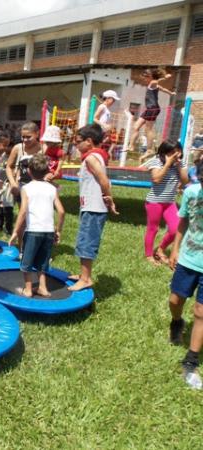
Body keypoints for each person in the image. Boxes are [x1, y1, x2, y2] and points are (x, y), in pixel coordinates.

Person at [68, 124, 118, 291]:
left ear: (89, 141)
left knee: (86, 242)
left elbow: (104, 180)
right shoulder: (94, 156)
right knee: (84, 240)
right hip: (90, 206)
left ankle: (86, 279)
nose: (76, 145)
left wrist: (109, 199)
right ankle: (83, 274)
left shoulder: (91, 158)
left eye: (78, 142)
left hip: (93, 208)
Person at [167, 159, 203, 389]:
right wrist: (175, 248)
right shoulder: (191, 192)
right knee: (175, 300)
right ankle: (177, 322)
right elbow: (183, 222)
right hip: (189, 258)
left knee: (201, 312)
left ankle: (191, 361)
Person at [9, 154, 65, 297]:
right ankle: (43, 288)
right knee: (43, 261)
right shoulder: (52, 188)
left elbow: (23, 211)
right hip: (48, 231)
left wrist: (15, 232)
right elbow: (61, 211)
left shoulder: (26, 188)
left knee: (26, 261)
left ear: (29, 171)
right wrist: (58, 231)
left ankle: (28, 289)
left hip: (33, 230)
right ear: (47, 171)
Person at [143, 141, 189, 265]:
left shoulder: (181, 163)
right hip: (154, 202)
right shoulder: (156, 161)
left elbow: (185, 180)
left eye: (178, 151)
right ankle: (148, 255)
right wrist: (168, 164)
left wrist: (179, 166)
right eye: (172, 152)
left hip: (170, 202)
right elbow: (156, 179)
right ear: (164, 152)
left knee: (175, 229)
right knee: (153, 228)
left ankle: (160, 250)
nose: (176, 154)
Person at [6, 122, 42, 252]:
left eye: (28, 137)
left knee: (36, 218)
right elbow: (9, 166)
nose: (25, 140)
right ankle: (22, 247)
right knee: (23, 217)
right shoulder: (18, 148)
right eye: (23, 137)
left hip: (38, 189)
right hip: (22, 188)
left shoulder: (42, 148)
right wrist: (12, 183)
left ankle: (35, 247)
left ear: (37, 134)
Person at [128, 69, 175, 162]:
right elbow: (163, 89)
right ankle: (131, 145)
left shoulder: (152, 83)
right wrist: (171, 93)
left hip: (153, 109)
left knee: (148, 129)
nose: (144, 80)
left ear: (150, 77)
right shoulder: (154, 85)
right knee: (136, 126)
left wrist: (164, 77)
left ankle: (149, 150)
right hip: (149, 109)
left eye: (145, 78)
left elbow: (156, 81)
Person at [0, 131, 15, 235]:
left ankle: (9, 228)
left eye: (8, 146)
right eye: (5, 145)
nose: (6, 148)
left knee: (8, 206)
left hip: (8, 184)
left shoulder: (12, 157)